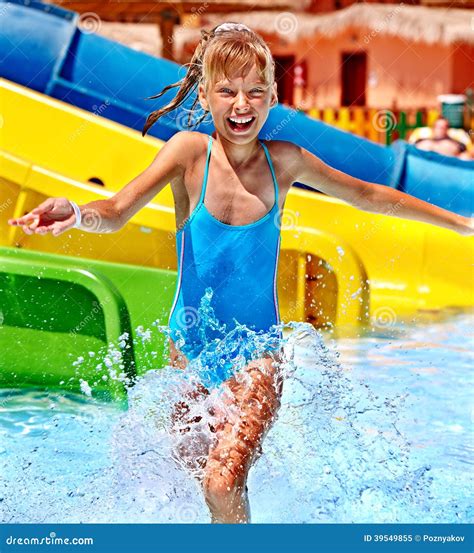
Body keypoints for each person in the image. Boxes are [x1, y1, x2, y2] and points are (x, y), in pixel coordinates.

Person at [7, 22, 474, 524]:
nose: (241, 103)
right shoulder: (189, 154)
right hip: (188, 355)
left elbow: (368, 195)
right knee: (192, 484)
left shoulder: (286, 162)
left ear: (273, 96)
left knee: (221, 481)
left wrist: (461, 223)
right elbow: (118, 209)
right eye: (227, 91)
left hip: (256, 355)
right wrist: (76, 213)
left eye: (255, 91)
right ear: (205, 95)